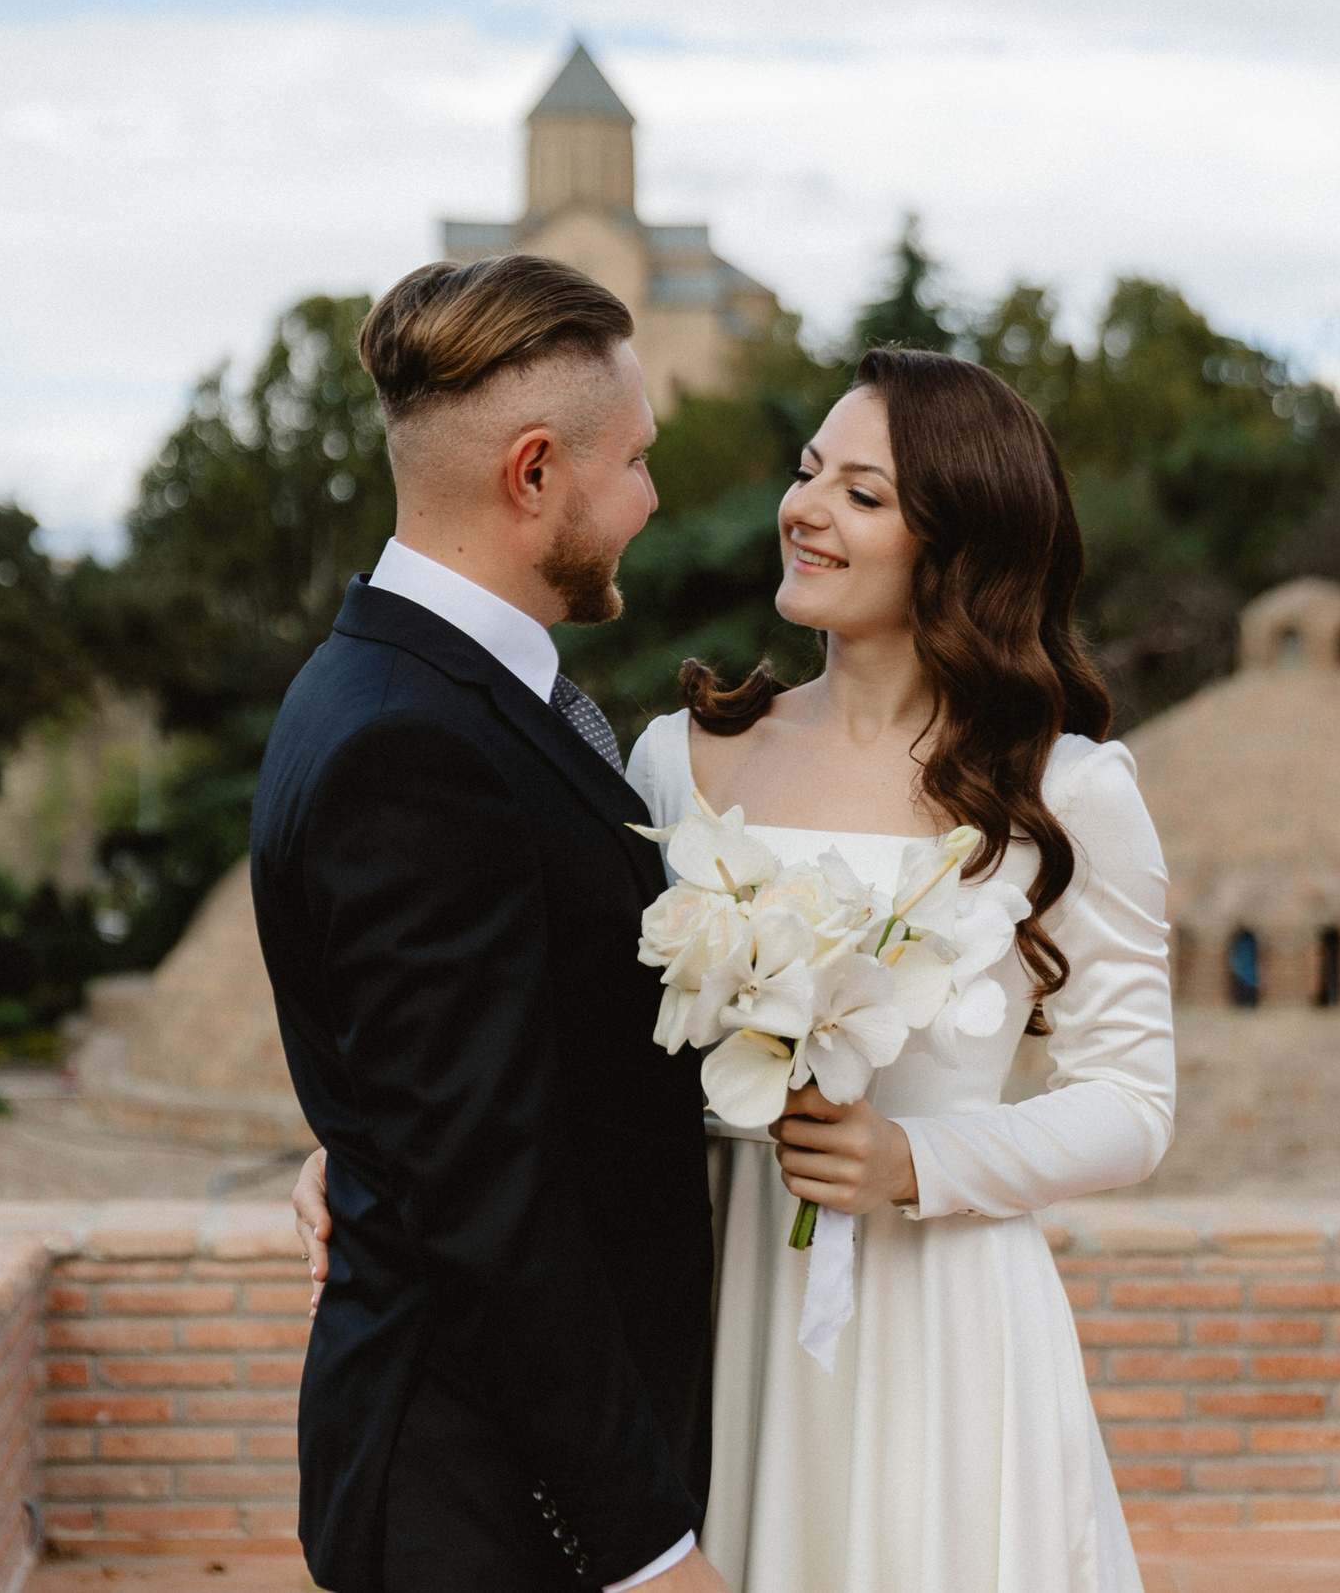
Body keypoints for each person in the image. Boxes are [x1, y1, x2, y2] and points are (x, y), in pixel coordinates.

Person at [298, 345, 1176, 1591]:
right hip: (715, 1308)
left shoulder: (1071, 794)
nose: (805, 508)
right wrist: (369, 1141)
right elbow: (525, 1028)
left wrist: (916, 1161)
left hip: (945, 1321)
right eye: (809, 470)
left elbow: (1134, 1107)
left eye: (862, 494)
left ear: (962, 543)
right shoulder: (682, 761)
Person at [252, 253, 727, 1593]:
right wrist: (647, 1549)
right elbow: (488, 1193)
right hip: (478, 1491)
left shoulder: (418, 687)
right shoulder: (415, 743)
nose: (651, 496)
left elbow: (453, 1075)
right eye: (631, 459)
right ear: (535, 472)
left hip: (511, 1461)